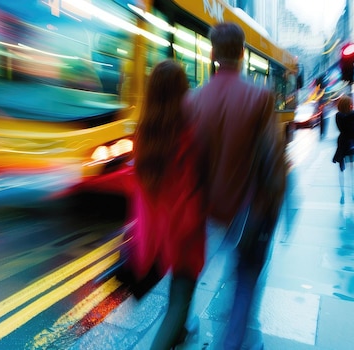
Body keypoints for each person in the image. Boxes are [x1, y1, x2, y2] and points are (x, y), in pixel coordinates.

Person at [185, 22, 287, 349]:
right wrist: (273, 212)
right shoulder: (260, 97)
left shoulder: (193, 100)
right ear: (242, 54)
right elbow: (273, 161)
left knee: (192, 276)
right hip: (249, 211)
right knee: (243, 285)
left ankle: (184, 327)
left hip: (206, 211)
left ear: (213, 53)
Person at [125, 59, 208, 350]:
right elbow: (192, 190)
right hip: (184, 233)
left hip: (156, 230)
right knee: (179, 300)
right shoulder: (188, 133)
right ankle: (173, 335)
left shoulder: (144, 132)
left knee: (179, 296)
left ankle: (181, 333)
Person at [332, 95, 354, 204]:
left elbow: (340, 129)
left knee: (341, 168)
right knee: (351, 167)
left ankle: (342, 194)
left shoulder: (337, 116)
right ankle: (353, 190)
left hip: (342, 142)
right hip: (351, 143)